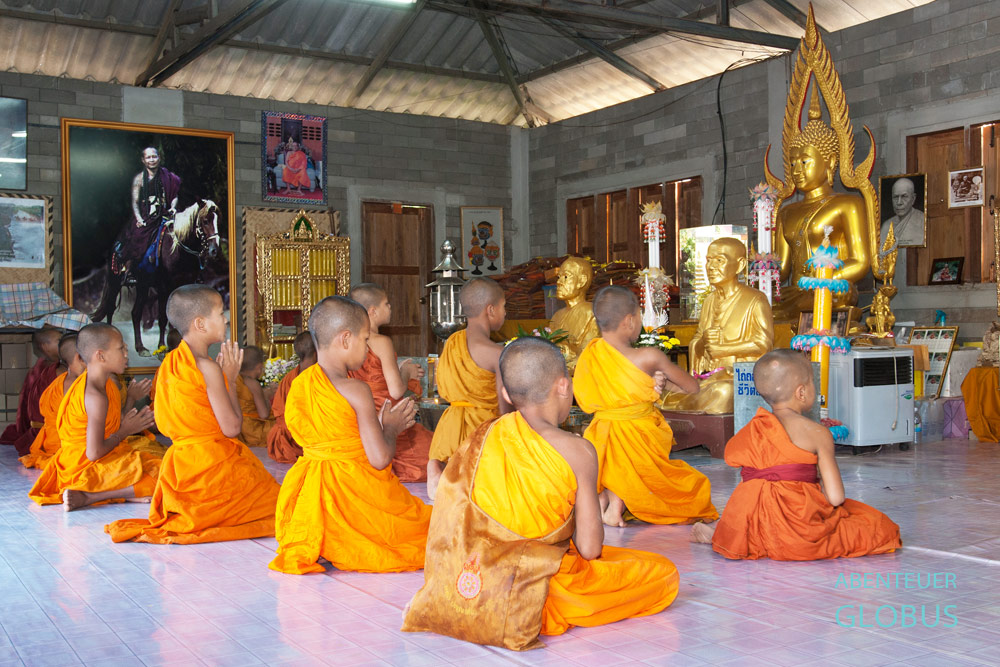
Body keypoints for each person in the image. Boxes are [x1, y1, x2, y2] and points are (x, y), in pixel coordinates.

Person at [403, 338, 679, 649]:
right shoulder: (578, 450)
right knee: (661, 572)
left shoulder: (481, 438)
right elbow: (589, 548)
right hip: (539, 593)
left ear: (506, 393)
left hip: (465, 583)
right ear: (564, 386)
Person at [105, 285, 280, 544]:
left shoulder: (170, 364)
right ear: (200, 323)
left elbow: (165, 424)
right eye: (220, 313)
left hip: (180, 468)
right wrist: (230, 380)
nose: (226, 319)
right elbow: (232, 428)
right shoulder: (207, 368)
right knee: (283, 507)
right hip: (214, 467)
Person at [268, 296, 430, 575]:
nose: (368, 348)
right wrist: (390, 428)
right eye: (365, 339)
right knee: (426, 531)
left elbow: (331, 437)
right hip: (356, 494)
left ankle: (326, 543)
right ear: (345, 340)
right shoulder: (356, 389)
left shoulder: (299, 385)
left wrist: (378, 423)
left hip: (311, 498)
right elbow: (379, 459)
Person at [695, 349, 902, 559]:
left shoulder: (753, 429)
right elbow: (836, 497)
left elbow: (739, 461)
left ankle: (721, 533)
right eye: (813, 382)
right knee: (878, 527)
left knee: (745, 518)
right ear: (801, 392)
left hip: (756, 526)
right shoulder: (818, 433)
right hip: (802, 533)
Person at [574, 286, 718, 527]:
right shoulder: (649, 357)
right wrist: (660, 382)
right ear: (630, 321)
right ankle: (614, 504)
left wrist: (652, 384)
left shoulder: (589, 355)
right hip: (638, 432)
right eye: (640, 316)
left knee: (614, 459)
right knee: (693, 489)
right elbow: (691, 387)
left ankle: (607, 502)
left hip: (600, 433)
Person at [27, 324, 164, 510]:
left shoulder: (104, 384)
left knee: (163, 463)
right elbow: (93, 453)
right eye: (121, 349)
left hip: (96, 458)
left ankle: (131, 492)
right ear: (100, 355)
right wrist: (126, 430)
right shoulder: (94, 395)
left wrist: (131, 405)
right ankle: (90, 496)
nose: (126, 354)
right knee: (166, 478)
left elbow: (109, 427)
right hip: (83, 469)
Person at [661, 238, 773, 414]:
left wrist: (724, 349)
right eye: (708, 260)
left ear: (740, 265)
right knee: (662, 389)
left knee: (724, 393)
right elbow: (697, 340)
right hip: (708, 377)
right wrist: (703, 342)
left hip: (737, 378)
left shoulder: (755, 300)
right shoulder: (709, 301)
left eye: (719, 260)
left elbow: (763, 344)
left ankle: (686, 403)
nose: (711, 267)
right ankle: (687, 401)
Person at [426, 278, 511, 499]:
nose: (505, 313)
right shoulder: (496, 353)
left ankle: (440, 470)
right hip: (482, 433)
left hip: (447, 434)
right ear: (490, 310)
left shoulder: (451, 342)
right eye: (504, 307)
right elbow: (505, 409)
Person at [347, 283, 431, 482]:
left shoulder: (349, 342)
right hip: (385, 416)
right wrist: (406, 372)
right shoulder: (382, 341)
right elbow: (395, 391)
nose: (390, 307)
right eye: (387, 303)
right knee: (439, 452)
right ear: (373, 311)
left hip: (359, 417)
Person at [93, 147, 181, 321]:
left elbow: (174, 196)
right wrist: (139, 218)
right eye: (148, 157)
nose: (152, 160)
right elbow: (134, 202)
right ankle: (129, 271)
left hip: (164, 215)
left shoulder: (168, 177)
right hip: (145, 216)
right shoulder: (139, 179)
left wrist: (172, 207)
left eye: (154, 156)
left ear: (159, 158)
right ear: (143, 160)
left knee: (180, 238)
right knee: (137, 239)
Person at [19, 335, 85, 470]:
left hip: (51, 440)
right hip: (65, 444)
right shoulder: (75, 384)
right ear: (80, 357)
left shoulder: (60, 380)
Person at [1, 328, 63, 456]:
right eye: (59, 341)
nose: (63, 343)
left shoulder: (45, 367)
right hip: (42, 428)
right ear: (45, 347)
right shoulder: (46, 371)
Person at [266, 332, 316, 464]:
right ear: (318, 351)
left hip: (284, 440)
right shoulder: (318, 377)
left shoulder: (288, 378)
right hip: (303, 438)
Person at [548, 256, 599, 372]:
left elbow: (588, 357)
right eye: (559, 277)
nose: (559, 282)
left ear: (582, 281)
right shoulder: (556, 316)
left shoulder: (591, 313)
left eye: (566, 277)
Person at [235, 346, 275, 447]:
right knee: (282, 427)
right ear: (259, 367)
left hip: (238, 429)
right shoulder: (252, 383)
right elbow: (264, 414)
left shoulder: (234, 379)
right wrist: (267, 396)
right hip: (252, 430)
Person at [881, 177, 925, 250]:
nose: (899, 202)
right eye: (895, 197)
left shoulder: (922, 221)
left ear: (913, 198)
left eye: (904, 196)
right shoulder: (886, 225)